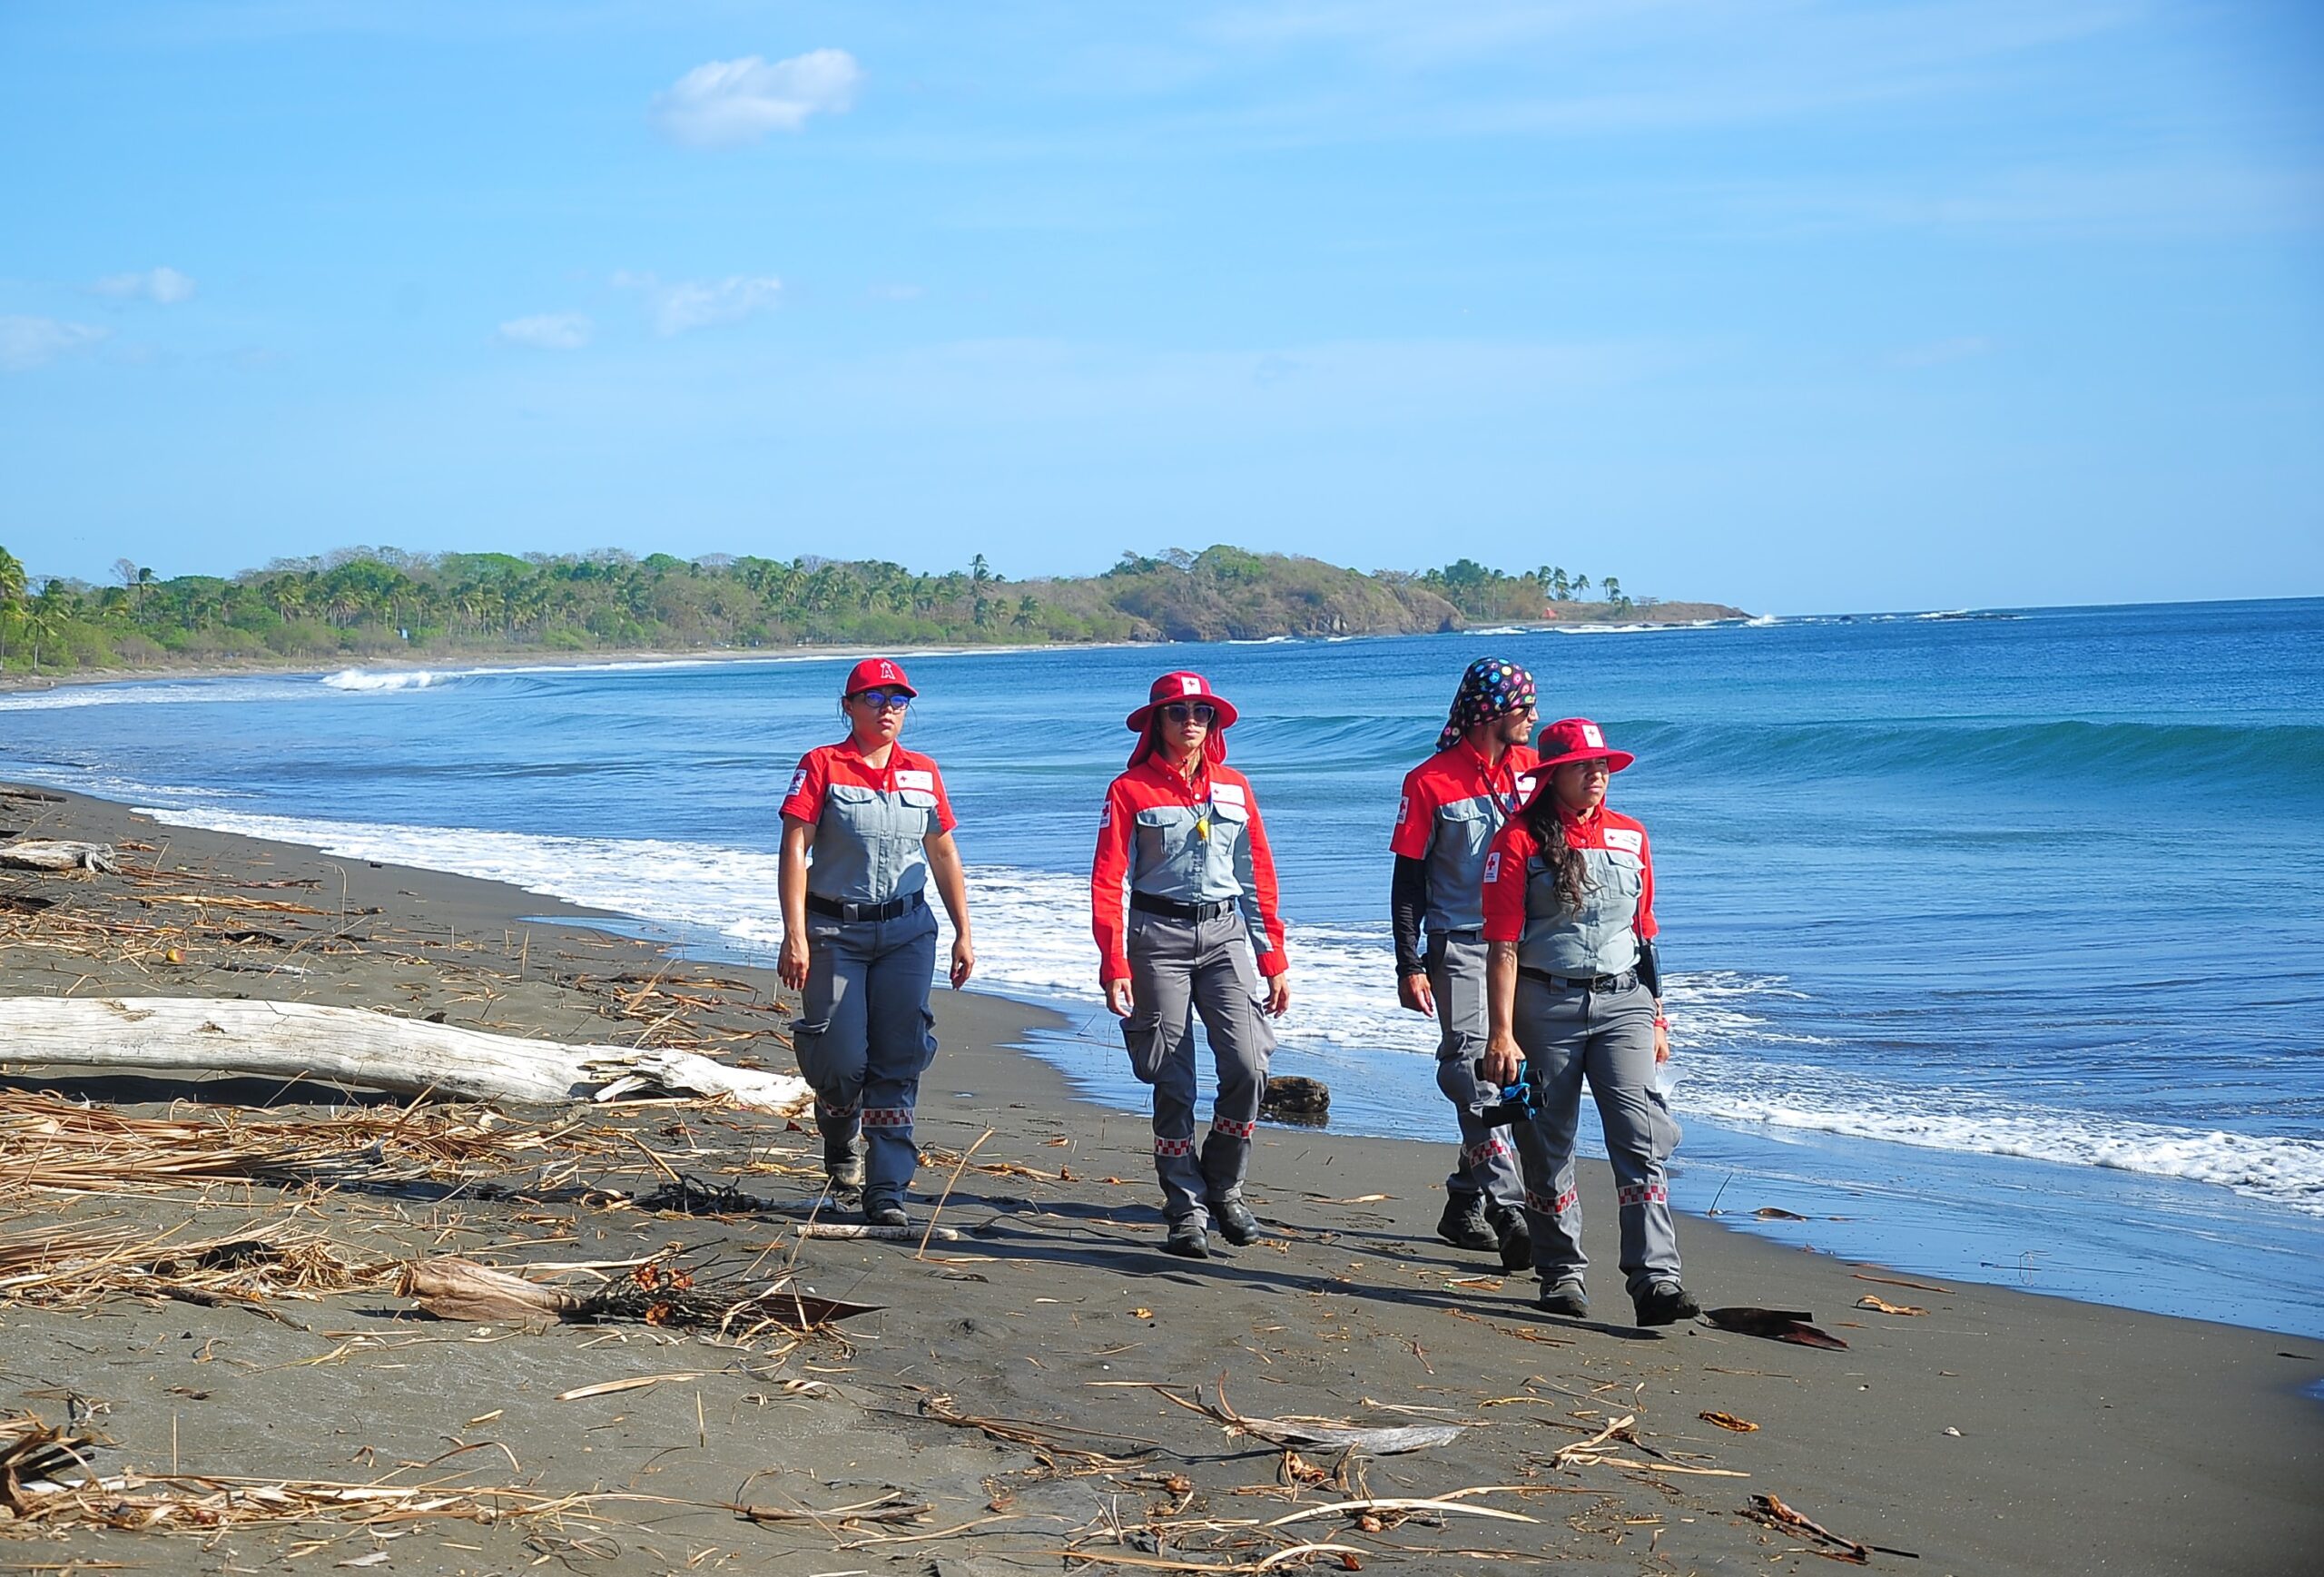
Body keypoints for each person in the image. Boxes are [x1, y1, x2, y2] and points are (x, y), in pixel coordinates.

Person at [1479, 716, 1699, 1326]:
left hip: (1625, 1003)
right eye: (1582, 766)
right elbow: (1502, 945)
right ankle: (1560, 1272)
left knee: (1641, 1137)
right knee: (1546, 1143)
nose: (1596, 774)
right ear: (1552, 775)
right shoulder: (1516, 841)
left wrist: (1657, 1016)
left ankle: (1656, 1279)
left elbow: (1645, 934)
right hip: (1544, 1005)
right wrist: (1501, 1032)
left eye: (1602, 765)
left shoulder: (1632, 835)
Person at [1091, 672, 1292, 1259]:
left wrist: (1273, 956)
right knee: (1173, 1080)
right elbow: (1108, 879)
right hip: (1157, 937)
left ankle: (1225, 1186)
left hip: (1226, 937)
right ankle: (1185, 1206)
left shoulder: (1235, 787)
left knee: (1249, 1065)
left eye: (1201, 712)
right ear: (1157, 721)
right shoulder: (1129, 789)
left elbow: (1256, 874)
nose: (1190, 722)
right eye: (1178, 712)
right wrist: (1114, 961)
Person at [778, 657, 975, 1228]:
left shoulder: (924, 771)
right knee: (840, 1059)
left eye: (898, 700)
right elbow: (795, 848)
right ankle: (838, 1129)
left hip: (907, 933)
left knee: (900, 1056)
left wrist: (964, 931)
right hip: (833, 931)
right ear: (848, 706)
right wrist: (795, 934)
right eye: (874, 698)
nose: (888, 709)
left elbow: (943, 851)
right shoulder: (822, 764)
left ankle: (887, 1189)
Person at [1390, 657, 1541, 1271]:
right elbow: (1408, 881)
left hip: (1531, 945)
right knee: (1471, 1071)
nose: (1534, 716)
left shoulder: (1536, 770)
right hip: (1460, 943)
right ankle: (1509, 1209)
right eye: (1524, 706)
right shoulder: (1428, 781)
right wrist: (1409, 963)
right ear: (1490, 711)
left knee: (1519, 1077)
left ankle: (1462, 1199)